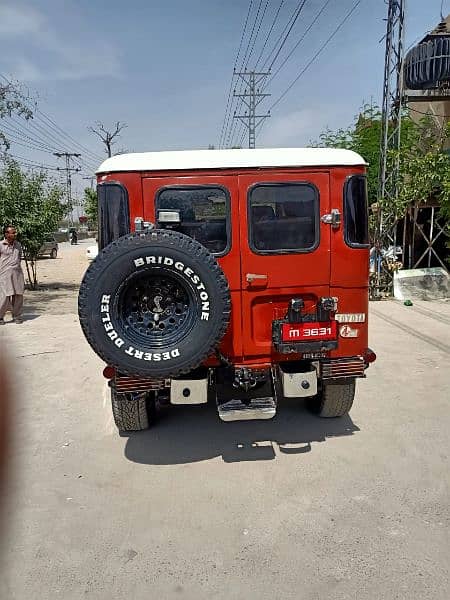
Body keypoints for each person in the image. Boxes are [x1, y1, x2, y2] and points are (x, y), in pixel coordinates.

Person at [0, 225, 25, 324]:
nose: (15, 234)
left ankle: (17, 316)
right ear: (6, 234)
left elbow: (19, 257)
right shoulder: (1, 245)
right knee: (4, 296)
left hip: (17, 273)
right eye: (13, 232)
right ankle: (0, 316)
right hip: (4, 274)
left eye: (15, 232)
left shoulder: (18, 245)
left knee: (18, 295)